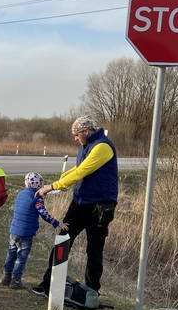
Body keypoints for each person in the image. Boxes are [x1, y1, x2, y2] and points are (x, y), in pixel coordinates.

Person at [32, 116, 118, 296]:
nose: (75, 138)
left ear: (86, 131)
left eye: (76, 134)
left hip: (100, 208)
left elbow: (82, 171)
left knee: (94, 250)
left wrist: (53, 187)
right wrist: (56, 182)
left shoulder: (103, 147)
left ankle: (92, 292)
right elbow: (76, 168)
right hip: (80, 203)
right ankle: (48, 284)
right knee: (63, 240)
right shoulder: (85, 146)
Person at [0, 172, 67, 289]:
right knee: (21, 257)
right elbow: (43, 213)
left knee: (11, 253)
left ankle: (6, 277)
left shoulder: (20, 194)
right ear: (39, 185)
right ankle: (15, 281)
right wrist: (57, 223)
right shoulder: (37, 198)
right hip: (26, 233)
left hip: (14, 230)